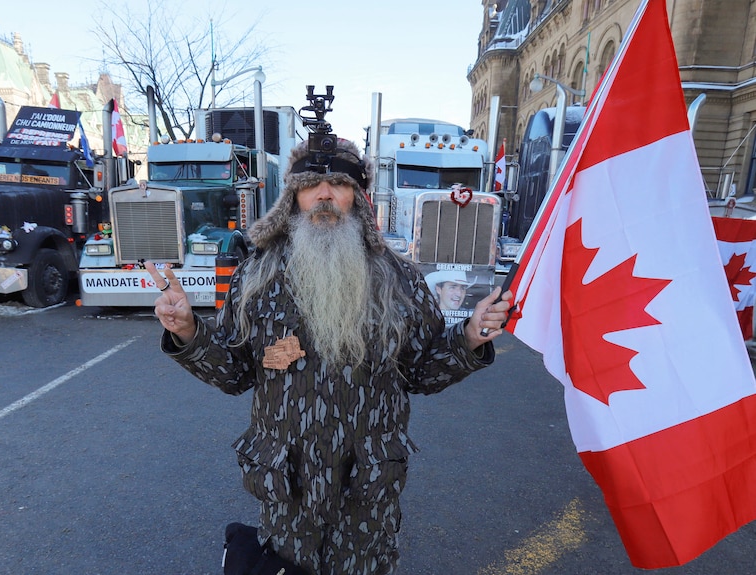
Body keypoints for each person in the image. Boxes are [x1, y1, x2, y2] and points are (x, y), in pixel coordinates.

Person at [145, 138, 513, 575]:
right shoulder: (256, 275)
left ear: (356, 196)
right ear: (293, 197)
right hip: (287, 485)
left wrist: (469, 338)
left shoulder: (400, 279)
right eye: (311, 184)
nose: (323, 195)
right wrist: (188, 331)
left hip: (366, 485)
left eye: (337, 184)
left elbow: (422, 372)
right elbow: (234, 372)